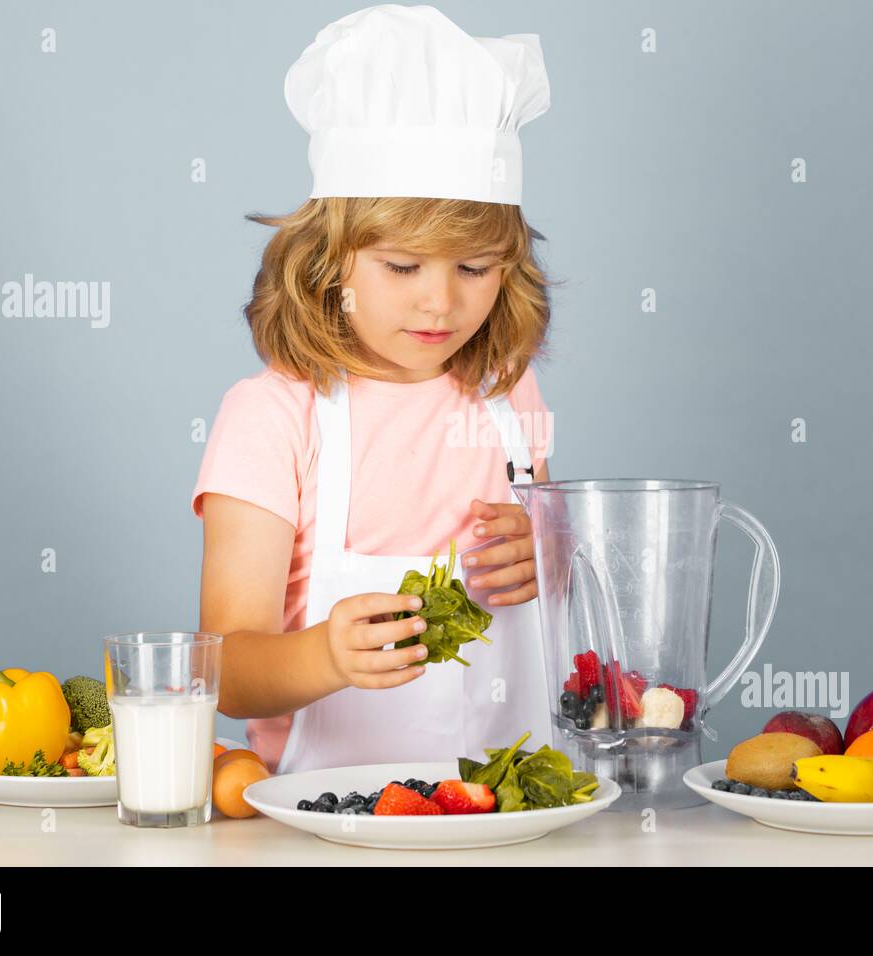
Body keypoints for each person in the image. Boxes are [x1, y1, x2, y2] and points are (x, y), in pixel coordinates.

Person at [191, 4, 557, 773]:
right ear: (327, 263)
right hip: (324, 817)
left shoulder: (509, 398)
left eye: (474, 267)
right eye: (402, 267)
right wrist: (327, 655)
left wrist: (549, 558)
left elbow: (554, 600)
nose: (440, 302)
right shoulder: (272, 417)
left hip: (507, 815)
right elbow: (222, 670)